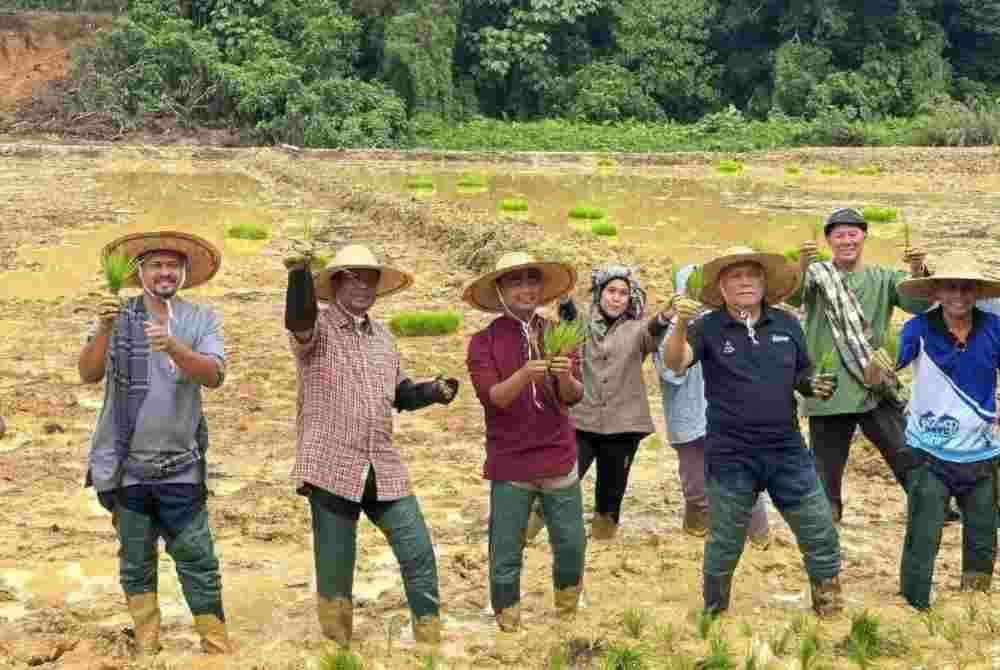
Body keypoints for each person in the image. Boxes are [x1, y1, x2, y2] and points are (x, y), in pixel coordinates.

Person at [284, 243, 459, 647]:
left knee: (417, 550)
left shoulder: (383, 337)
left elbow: (399, 393)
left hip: (382, 464)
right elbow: (298, 319)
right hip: (331, 462)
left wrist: (433, 390)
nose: (364, 286)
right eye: (353, 278)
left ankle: (429, 642)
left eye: (371, 278)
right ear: (335, 283)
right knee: (335, 567)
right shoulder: (316, 328)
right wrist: (297, 276)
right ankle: (338, 647)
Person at [663, 246, 843, 617]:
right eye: (735, 276)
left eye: (752, 275)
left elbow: (801, 374)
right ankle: (714, 612)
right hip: (731, 455)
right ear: (722, 287)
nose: (745, 281)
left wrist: (814, 384)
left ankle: (829, 606)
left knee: (819, 530)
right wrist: (680, 323)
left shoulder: (788, 324)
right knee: (726, 541)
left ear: (764, 282)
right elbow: (675, 362)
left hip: (787, 451)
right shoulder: (706, 327)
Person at [79, 231, 229, 656]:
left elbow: (214, 376)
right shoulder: (118, 315)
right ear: (140, 272)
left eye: (173, 265)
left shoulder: (202, 320)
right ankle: (149, 648)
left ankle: (216, 646)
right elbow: (88, 373)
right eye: (156, 265)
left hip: (181, 465)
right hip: (126, 468)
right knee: (136, 563)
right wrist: (105, 328)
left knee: (199, 559)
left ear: (184, 273)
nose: (165, 272)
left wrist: (174, 347)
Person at [868, 252, 1000, 610]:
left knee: (983, 535)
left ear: (977, 292)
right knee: (923, 535)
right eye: (950, 287)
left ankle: (974, 606)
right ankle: (914, 605)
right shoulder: (917, 329)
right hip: (929, 453)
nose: (958, 294)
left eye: (966, 287)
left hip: (983, 454)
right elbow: (881, 375)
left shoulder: (994, 327)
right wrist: (874, 368)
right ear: (937, 292)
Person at [465, 251, 586, 632]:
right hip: (510, 460)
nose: (526, 289)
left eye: (532, 281)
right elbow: (494, 398)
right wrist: (525, 374)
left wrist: (564, 375)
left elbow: (573, 396)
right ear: (499, 290)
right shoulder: (483, 342)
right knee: (506, 547)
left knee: (571, 543)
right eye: (515, 282)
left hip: (558, 455)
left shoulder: (556, 333)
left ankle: (567, 610)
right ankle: (508, 619)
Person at [791, 208, 933, 524]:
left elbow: (919, 303)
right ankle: (827, 518)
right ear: (828, 240)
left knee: (905, 452)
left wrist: (917, 268)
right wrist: (802, 264)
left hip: (874, 384)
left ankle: (931, 507)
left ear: (864, 237)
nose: (846, 241)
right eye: (839, 235)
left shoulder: (883, 278)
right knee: (825, 466)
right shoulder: (817, 277)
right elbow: (794, 297)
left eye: (852, 233)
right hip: (830, 387)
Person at [533, 266, 670, 539]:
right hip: (582, 419)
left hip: (624, 424)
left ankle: (603, 540)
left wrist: (665, 315)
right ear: (599, 293)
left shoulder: (638, 329)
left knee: (611, 492)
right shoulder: (582, 324)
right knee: (560, 479)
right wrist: (563, 298)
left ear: (630, 298)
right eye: (611, 291)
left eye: (623, 293)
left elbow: (654, 330)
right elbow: (569, 315)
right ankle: (526, 531)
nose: (616, 298)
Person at [653, 263, 770, 547]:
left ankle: (759, 535)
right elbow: (670, 369)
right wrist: (680, 324)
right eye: (687, 290)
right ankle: (698, 522)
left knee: (744, 475)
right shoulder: (671, 327)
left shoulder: (728, 321)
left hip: (730, 415)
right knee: (694, 480)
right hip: (687, 413)